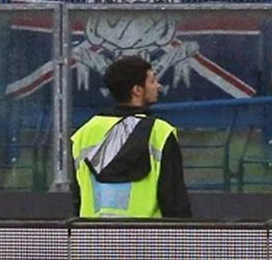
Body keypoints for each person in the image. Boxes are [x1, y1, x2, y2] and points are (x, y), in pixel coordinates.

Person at [71, 56, 191, 218]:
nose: (158, 86)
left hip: (93, 232)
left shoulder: (84, 133)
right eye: (152, 81)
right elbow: (174, 201)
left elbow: (78, 197)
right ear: (137, 90)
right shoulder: (160, 132)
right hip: (145, 233)